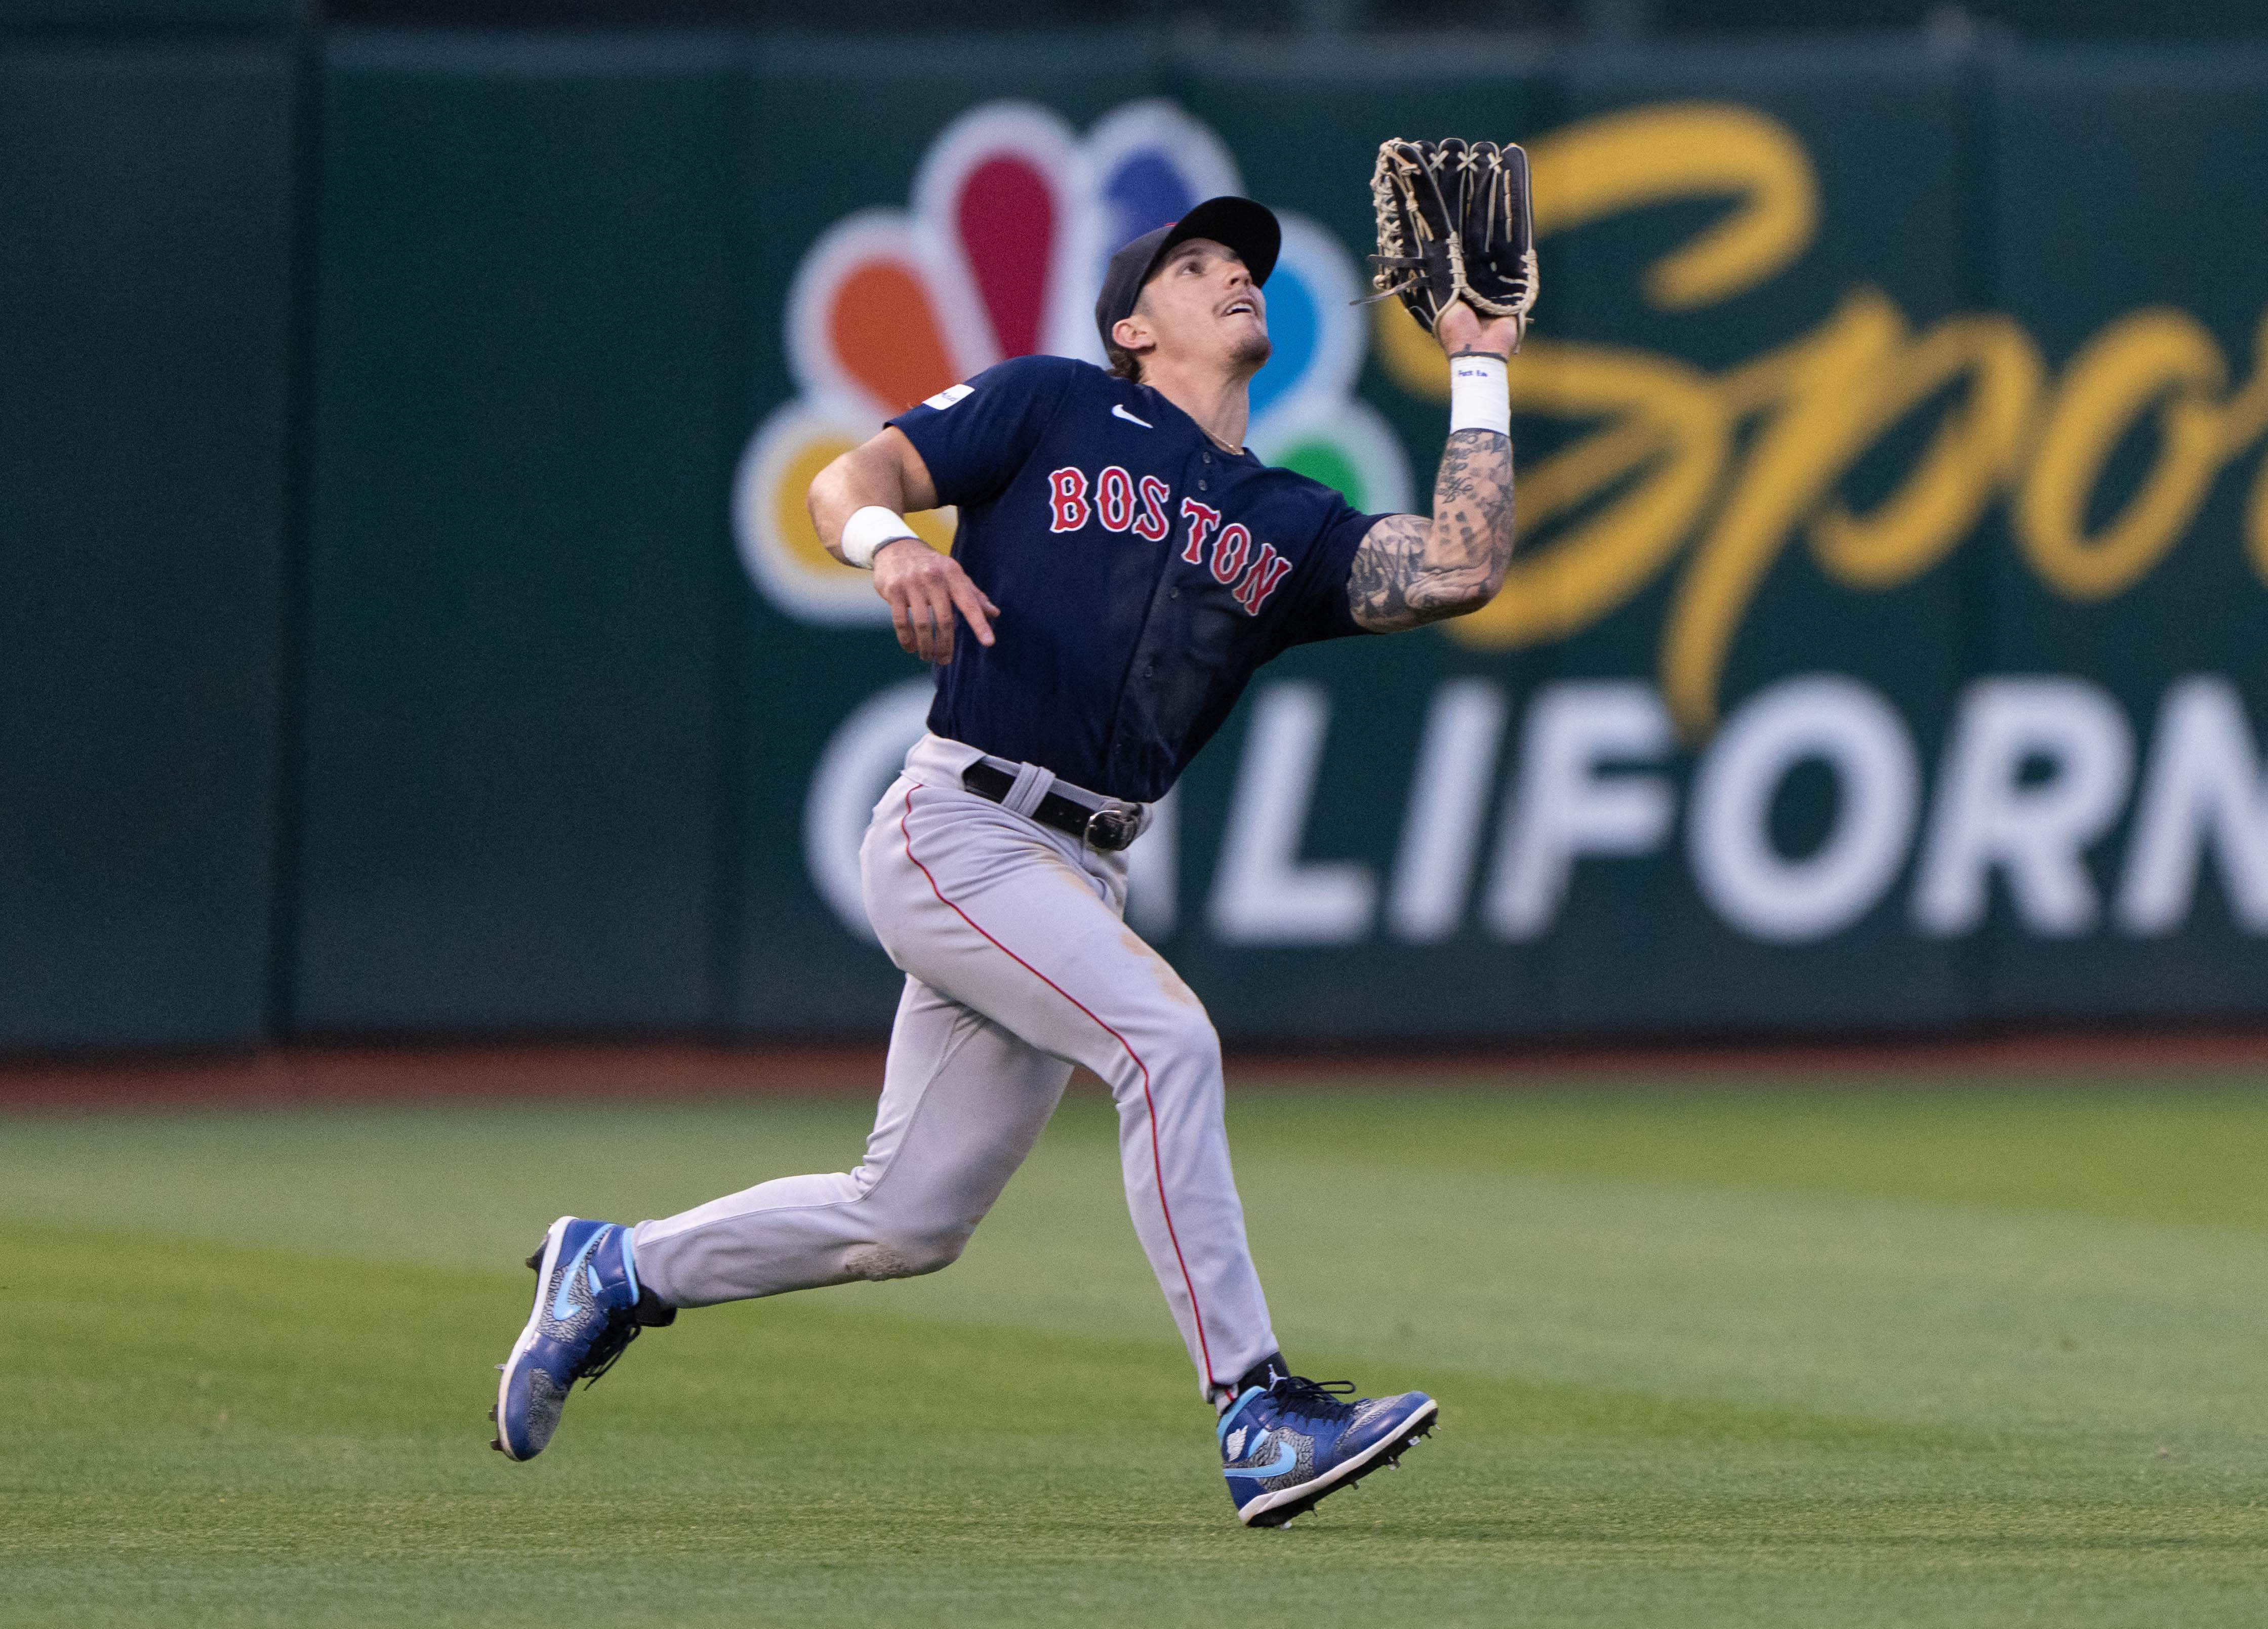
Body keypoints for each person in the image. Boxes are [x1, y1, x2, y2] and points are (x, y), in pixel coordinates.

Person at [490, 187, 1522, 1530]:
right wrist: (884, 548)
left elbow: (1456, 568)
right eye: (1197, 262)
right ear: (1131, 325)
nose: (1233, 278)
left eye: (1243, 264)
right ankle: (1254, 1408)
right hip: (959, 827)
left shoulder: (1288, 519)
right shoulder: (1054, 407)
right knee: (1166, 1043)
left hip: (1077, 867)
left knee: (907, 1219)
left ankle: (618, 1269)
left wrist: (1481, 366)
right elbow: (842, 481)